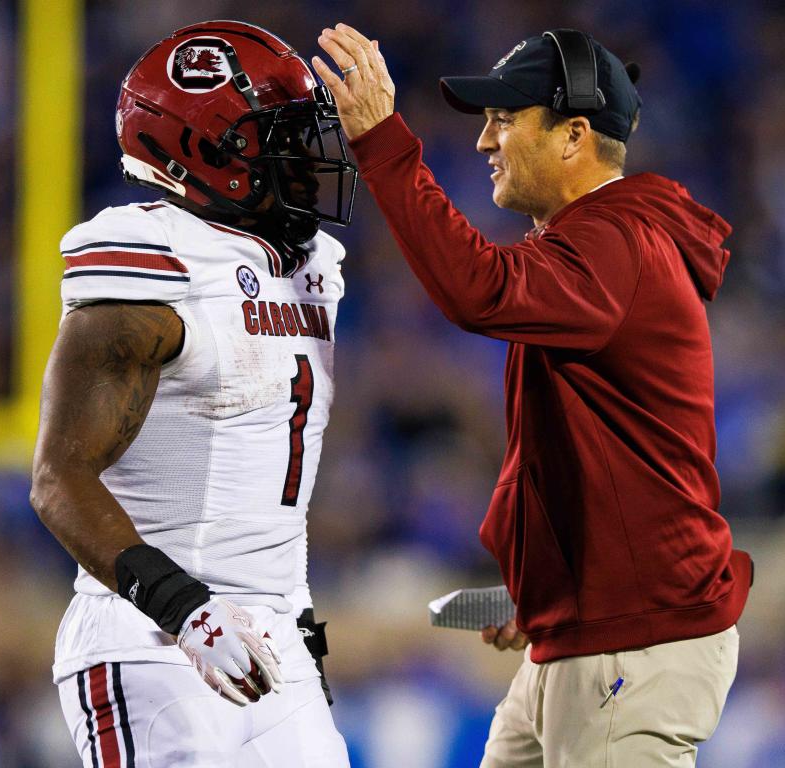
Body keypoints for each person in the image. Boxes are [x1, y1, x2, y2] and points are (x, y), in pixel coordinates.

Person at [312, 23, 753, 767]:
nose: (485, 141)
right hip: (587, 633)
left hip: (633, 645)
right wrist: (546, 586)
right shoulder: (597, 241)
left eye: (505, 119)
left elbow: (476, 291)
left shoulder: (618, 243)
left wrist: (384, 140)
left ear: (574, 135)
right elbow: (584, 449)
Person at [30, 20, 355, 767]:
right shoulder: (152, 266)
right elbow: (58, 479)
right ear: (208, 151)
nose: (308, 156)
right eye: (281, 137)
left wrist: (293, 627)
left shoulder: (314, 264)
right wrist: (187, 610)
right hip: (152, 640)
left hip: (280, 645)